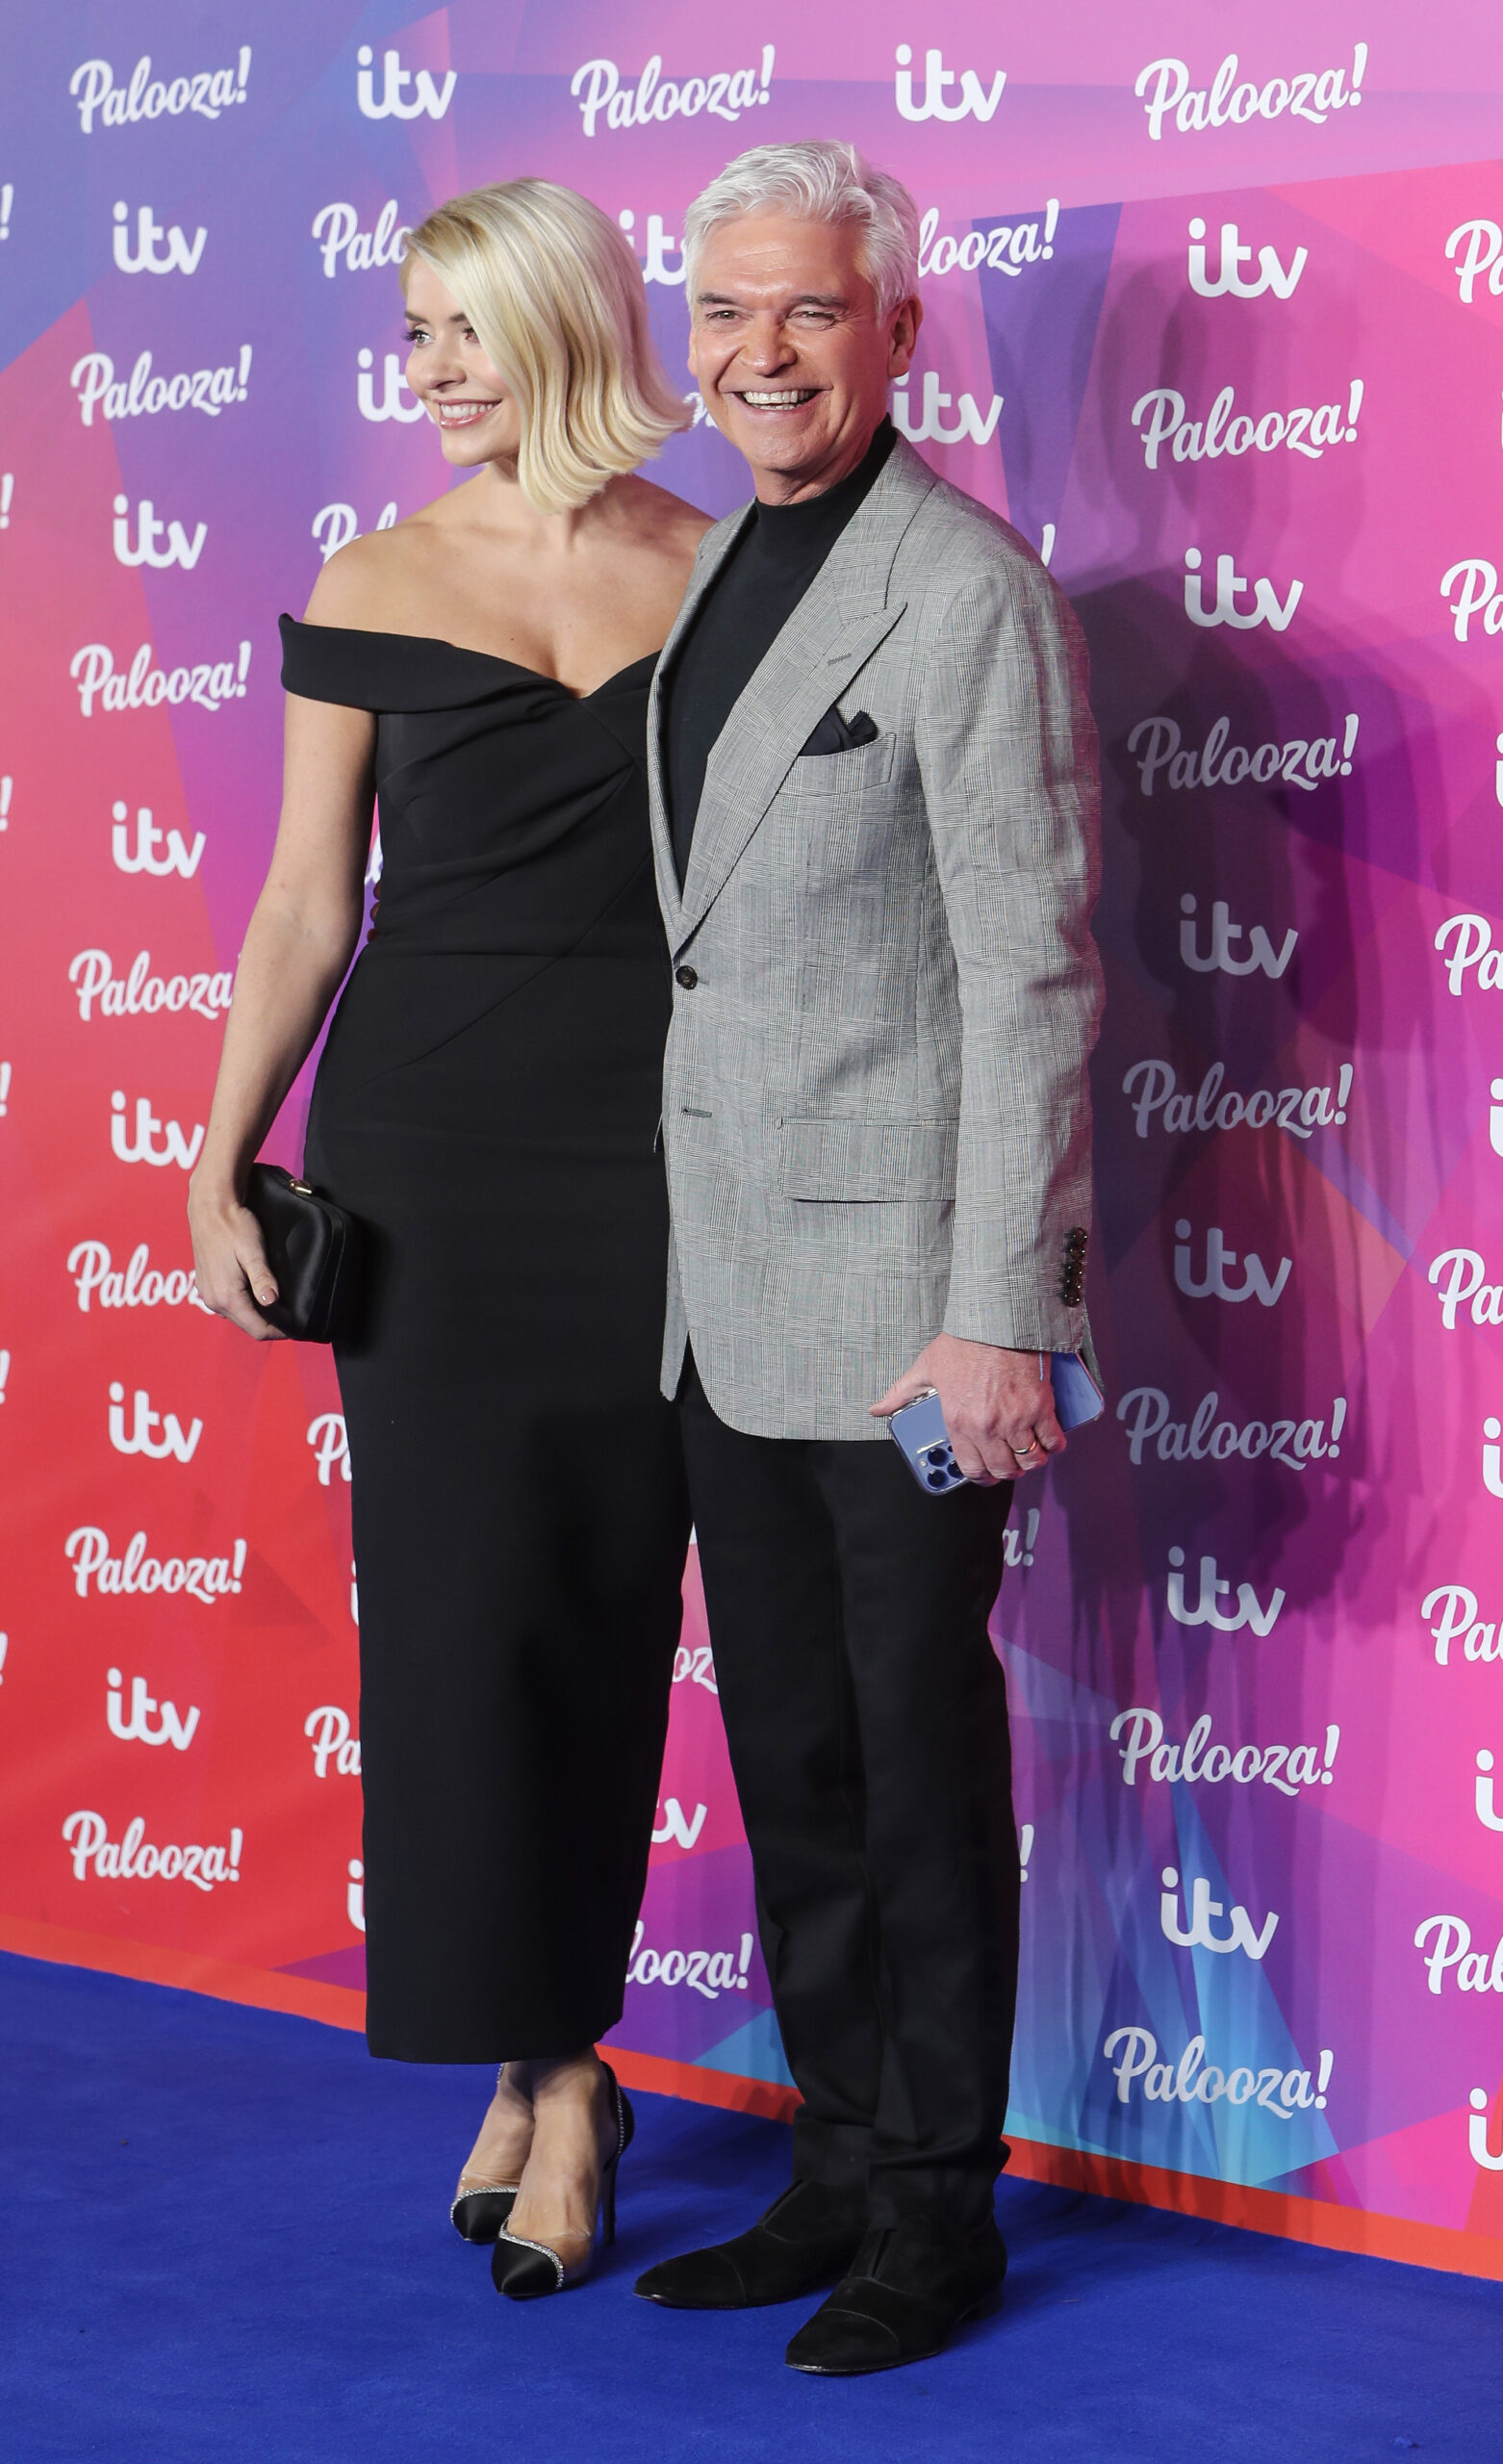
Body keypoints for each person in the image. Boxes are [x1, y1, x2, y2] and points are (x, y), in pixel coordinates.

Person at [188, 179, 711, 2300]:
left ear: (566, 323)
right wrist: (218, 1153)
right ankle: (554, 2061)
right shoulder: (376, 570)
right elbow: (310, 899)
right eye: (410, 336)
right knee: (466, 1626)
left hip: (672, 1160)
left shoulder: (722, 566)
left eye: (463, 331)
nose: (428, 372)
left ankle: (545, 2048)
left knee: (613, 1606)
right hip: (433, 1158)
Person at [632, 141, 1103, 2374]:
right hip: (726, 1299)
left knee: (916, 1765)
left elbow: (1025, 974)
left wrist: (998, 1304)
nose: (759, 351)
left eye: (808, 310)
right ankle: (830, 2156)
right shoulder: (721, 558)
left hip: (911, 1310)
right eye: (725, 309)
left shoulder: (966, 588)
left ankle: (936, 2205)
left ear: (899, 330)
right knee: (797, 1760)